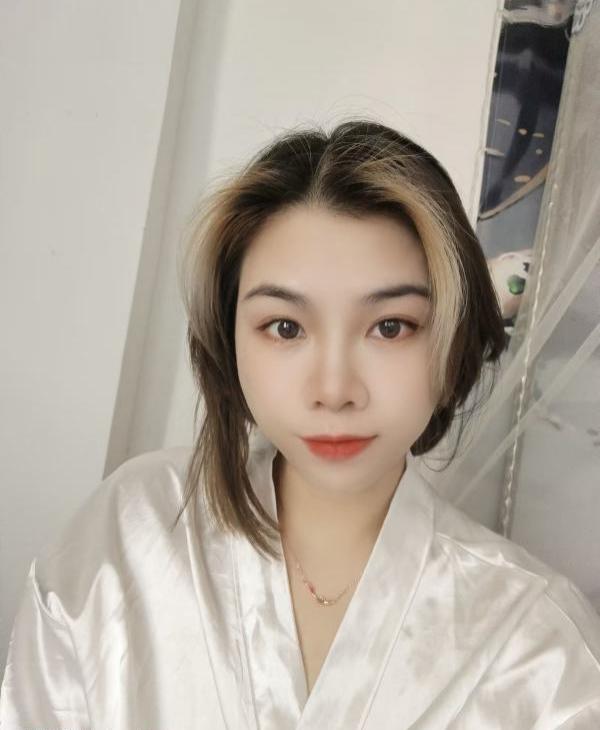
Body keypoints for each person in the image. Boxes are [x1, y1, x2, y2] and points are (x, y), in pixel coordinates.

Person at [2, 120, 600, 729]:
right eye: (285, 328)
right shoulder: (131, 533)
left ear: (452, 343)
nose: (334, 390)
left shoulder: (542, 648)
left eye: (390, 326)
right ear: (229, 341)